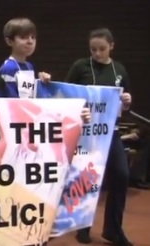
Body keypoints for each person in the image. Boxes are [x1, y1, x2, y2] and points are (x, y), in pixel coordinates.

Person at [65, 28, 133, 246]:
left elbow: (126, 106)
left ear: (112, 46)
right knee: (87, 178)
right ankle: (82, 228)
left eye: (102, 49)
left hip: (110, 132)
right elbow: (67, 94)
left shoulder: (119, 69)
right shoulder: (80, 67)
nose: (97, 53)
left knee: (121, 175)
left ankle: (113, 229)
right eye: (93, 49)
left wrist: (128, 101)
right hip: (86, 134)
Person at [0, 18, 51, 98]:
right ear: (9, 41)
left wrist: (41, 80)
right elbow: (8, 101)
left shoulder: (29, 66)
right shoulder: (9, 68)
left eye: (33, 37)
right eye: (23, 37)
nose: (30, 41)